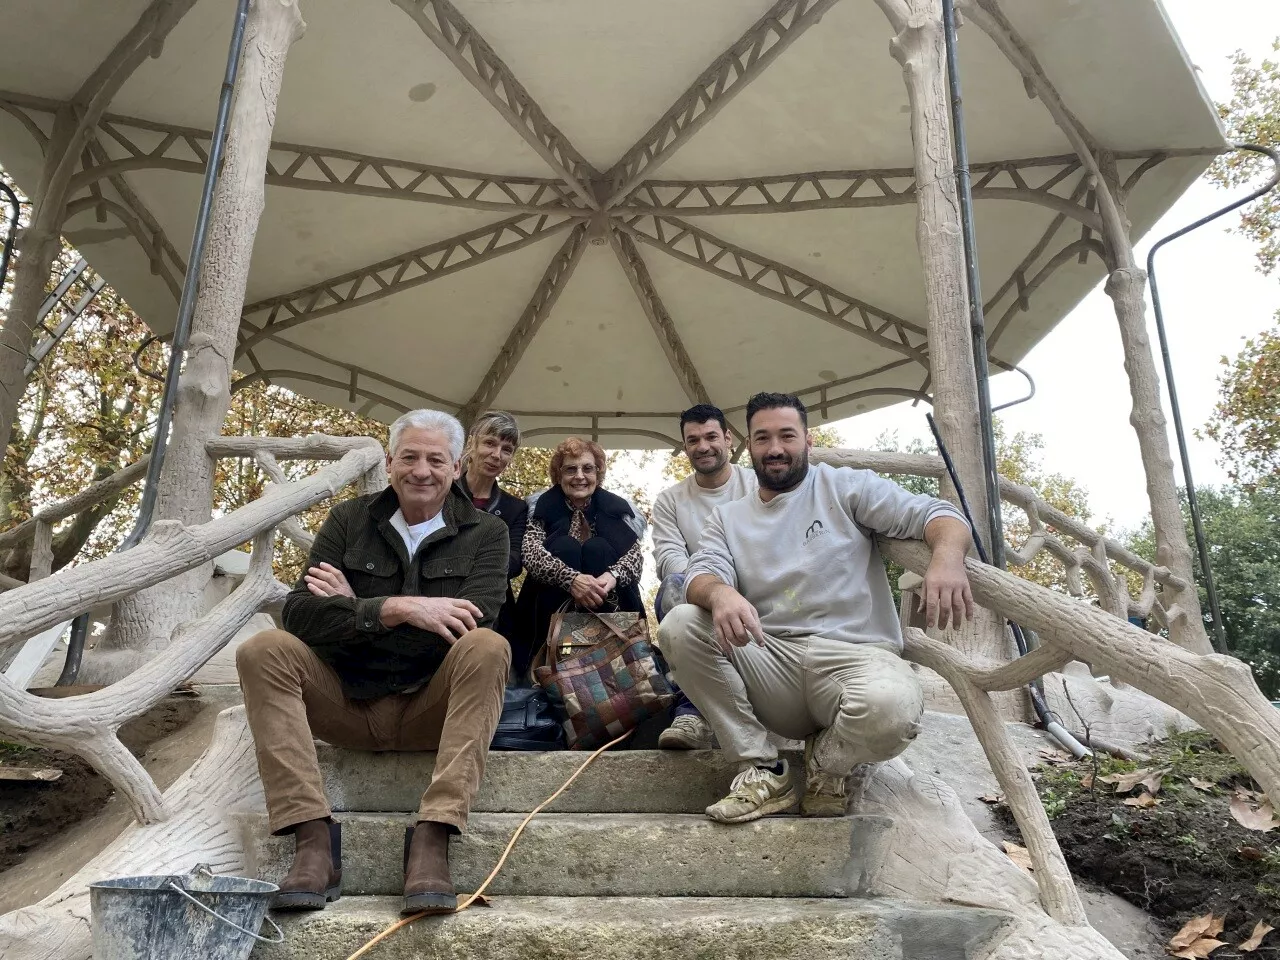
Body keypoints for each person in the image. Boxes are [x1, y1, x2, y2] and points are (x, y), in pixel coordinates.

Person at [236, 409, 511, 916]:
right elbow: (299, 616)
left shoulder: (488, 534)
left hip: (430, 707)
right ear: (389, 463)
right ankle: (313, 838)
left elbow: (471, 625)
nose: (421, 471)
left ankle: (433, 834)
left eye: (435, 459)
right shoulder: (348, 520)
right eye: (409, 457)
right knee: (262, 649)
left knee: (490, 647)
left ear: (456, 468)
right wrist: (398, 608)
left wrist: (350, 607)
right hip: (347, 703)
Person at [659, 392, 974, 824]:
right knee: (680, 622)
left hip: (855, 658)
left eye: (786, 435)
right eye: (763, 438)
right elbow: (700, 574)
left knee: (894, 709)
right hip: (771, 659)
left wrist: (946, 559)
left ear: (808, 440)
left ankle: (828, 766)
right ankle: (762, 768)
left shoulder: (845, 486)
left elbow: (939, 514)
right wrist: (720, 594)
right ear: (747, 446)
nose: (774, 449)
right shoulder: (728, 518)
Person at [651, 403, 756, 750]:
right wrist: (711, 591)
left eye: (711, 436)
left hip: (757, 587)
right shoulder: (670, 500)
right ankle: (691, 711)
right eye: (693, 440)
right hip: (699, 594)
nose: (703, 446)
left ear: (728, 439)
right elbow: (669, 559)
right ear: (685, 447)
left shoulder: (756, 484)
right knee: (671, 587)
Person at [512, 437, 645, 678]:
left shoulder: (617, 509)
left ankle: (616, 658)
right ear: (558, 474)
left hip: (608, 604)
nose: (580, 476)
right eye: (570, 469)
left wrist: (611, 577)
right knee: (565, 547)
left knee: (598, 549)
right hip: (551, 610)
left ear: (598, 473)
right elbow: (531, 553)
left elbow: (635, 559)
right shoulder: (541, 508)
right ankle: (545, 661)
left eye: (587, 468)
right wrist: (571, 579)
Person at [457, 410, 528, 644]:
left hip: (495, 615)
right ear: (472, 443)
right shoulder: (441, 492)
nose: (496, 455)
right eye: (490, 443)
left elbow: (515, 563)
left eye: (506, 449)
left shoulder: (515, 508)